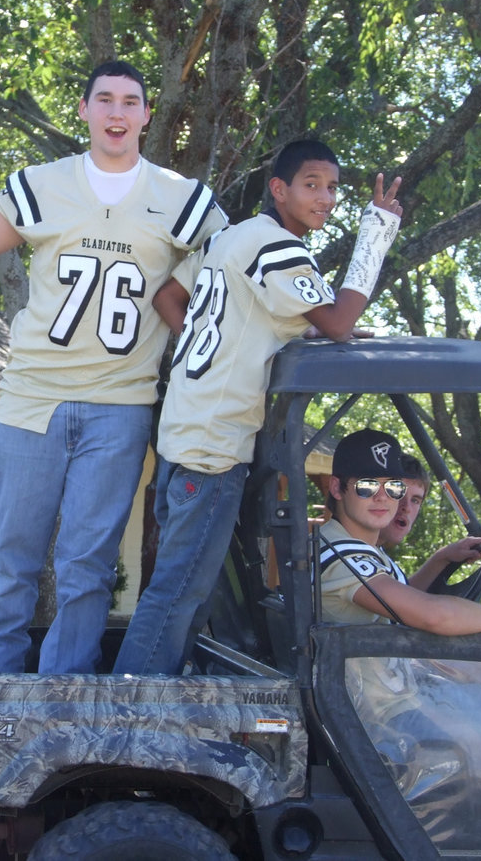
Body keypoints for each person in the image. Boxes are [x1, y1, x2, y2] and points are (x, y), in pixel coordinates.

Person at [0, 61, 229, 674]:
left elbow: (231, 260)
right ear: (85, 110)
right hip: (33, 398)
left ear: (147, 115)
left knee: (86, 564)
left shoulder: (182, 198)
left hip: (120, 405)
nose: (117, 113)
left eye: (129, 101)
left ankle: (63, 694)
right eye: (105, 100)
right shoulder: (44, 184)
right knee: (14, 555)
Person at [112, 138, 403, 676]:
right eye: (311, 185)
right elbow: (338, 324)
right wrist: (377, 234)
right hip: (216, 445)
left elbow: (168, 299)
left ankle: (151, 692)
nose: (325, 198)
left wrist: (211, 342)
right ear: (279, 189)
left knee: (187, 593)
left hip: (182, 431)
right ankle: (129, 707)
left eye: (333, 188)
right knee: (177, 596)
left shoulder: (229, 239)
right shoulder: (278, 248)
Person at [318, 428, 481, 852]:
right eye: (367, 486)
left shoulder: (361, 551)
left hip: (405, 701)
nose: (383, 498)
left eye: (393, 487)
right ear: (337, 488)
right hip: (386, 724)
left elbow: (423, 644)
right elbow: (434, 616)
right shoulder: (344, 558)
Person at [380, 452, 481, 591]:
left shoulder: (378, 556)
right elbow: (394, 605)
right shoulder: (355, 555)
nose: (406, 508)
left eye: (415, 500)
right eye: (397, 494)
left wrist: (442, 558)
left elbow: (401, 595)